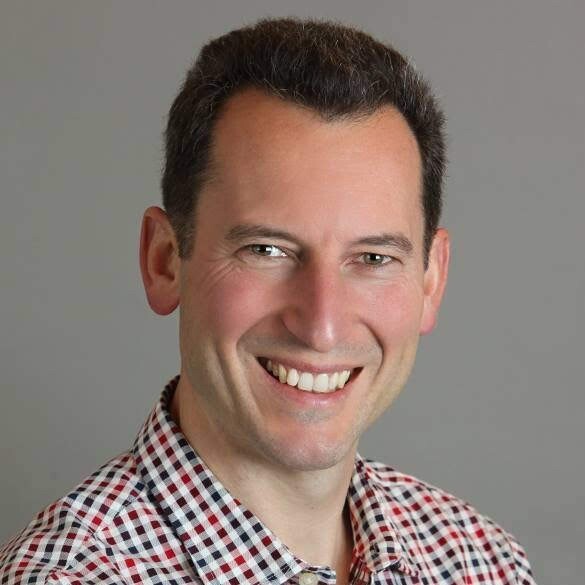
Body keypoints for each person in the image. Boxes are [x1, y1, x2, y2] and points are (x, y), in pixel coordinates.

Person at [0, 17, 536, 585]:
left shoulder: (481, 561)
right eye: (267, 250)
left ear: (431, 279)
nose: (322, 326)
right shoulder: (71, 575)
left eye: (374, 259)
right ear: (164, 261)